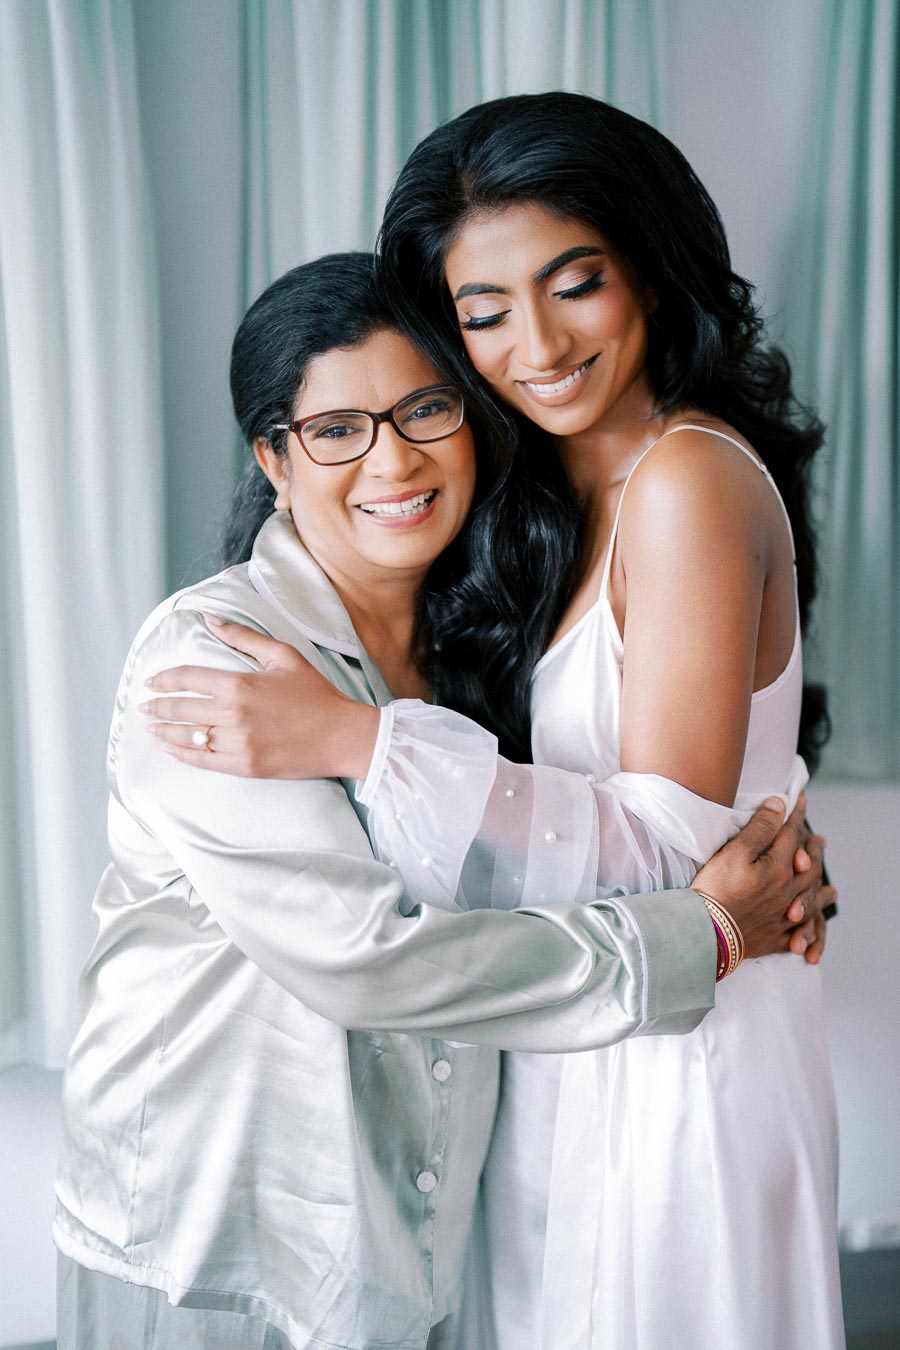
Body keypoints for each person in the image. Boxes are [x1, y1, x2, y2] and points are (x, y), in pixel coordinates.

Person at [144, 96, 843, 1349]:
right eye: (482, 314)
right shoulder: (528, 497)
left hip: (683, 1036)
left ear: (650, 265)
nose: (538, 343)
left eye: (576, 283)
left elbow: (680, 840)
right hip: (573, 1026)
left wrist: (361, 743)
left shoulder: (681, 478)